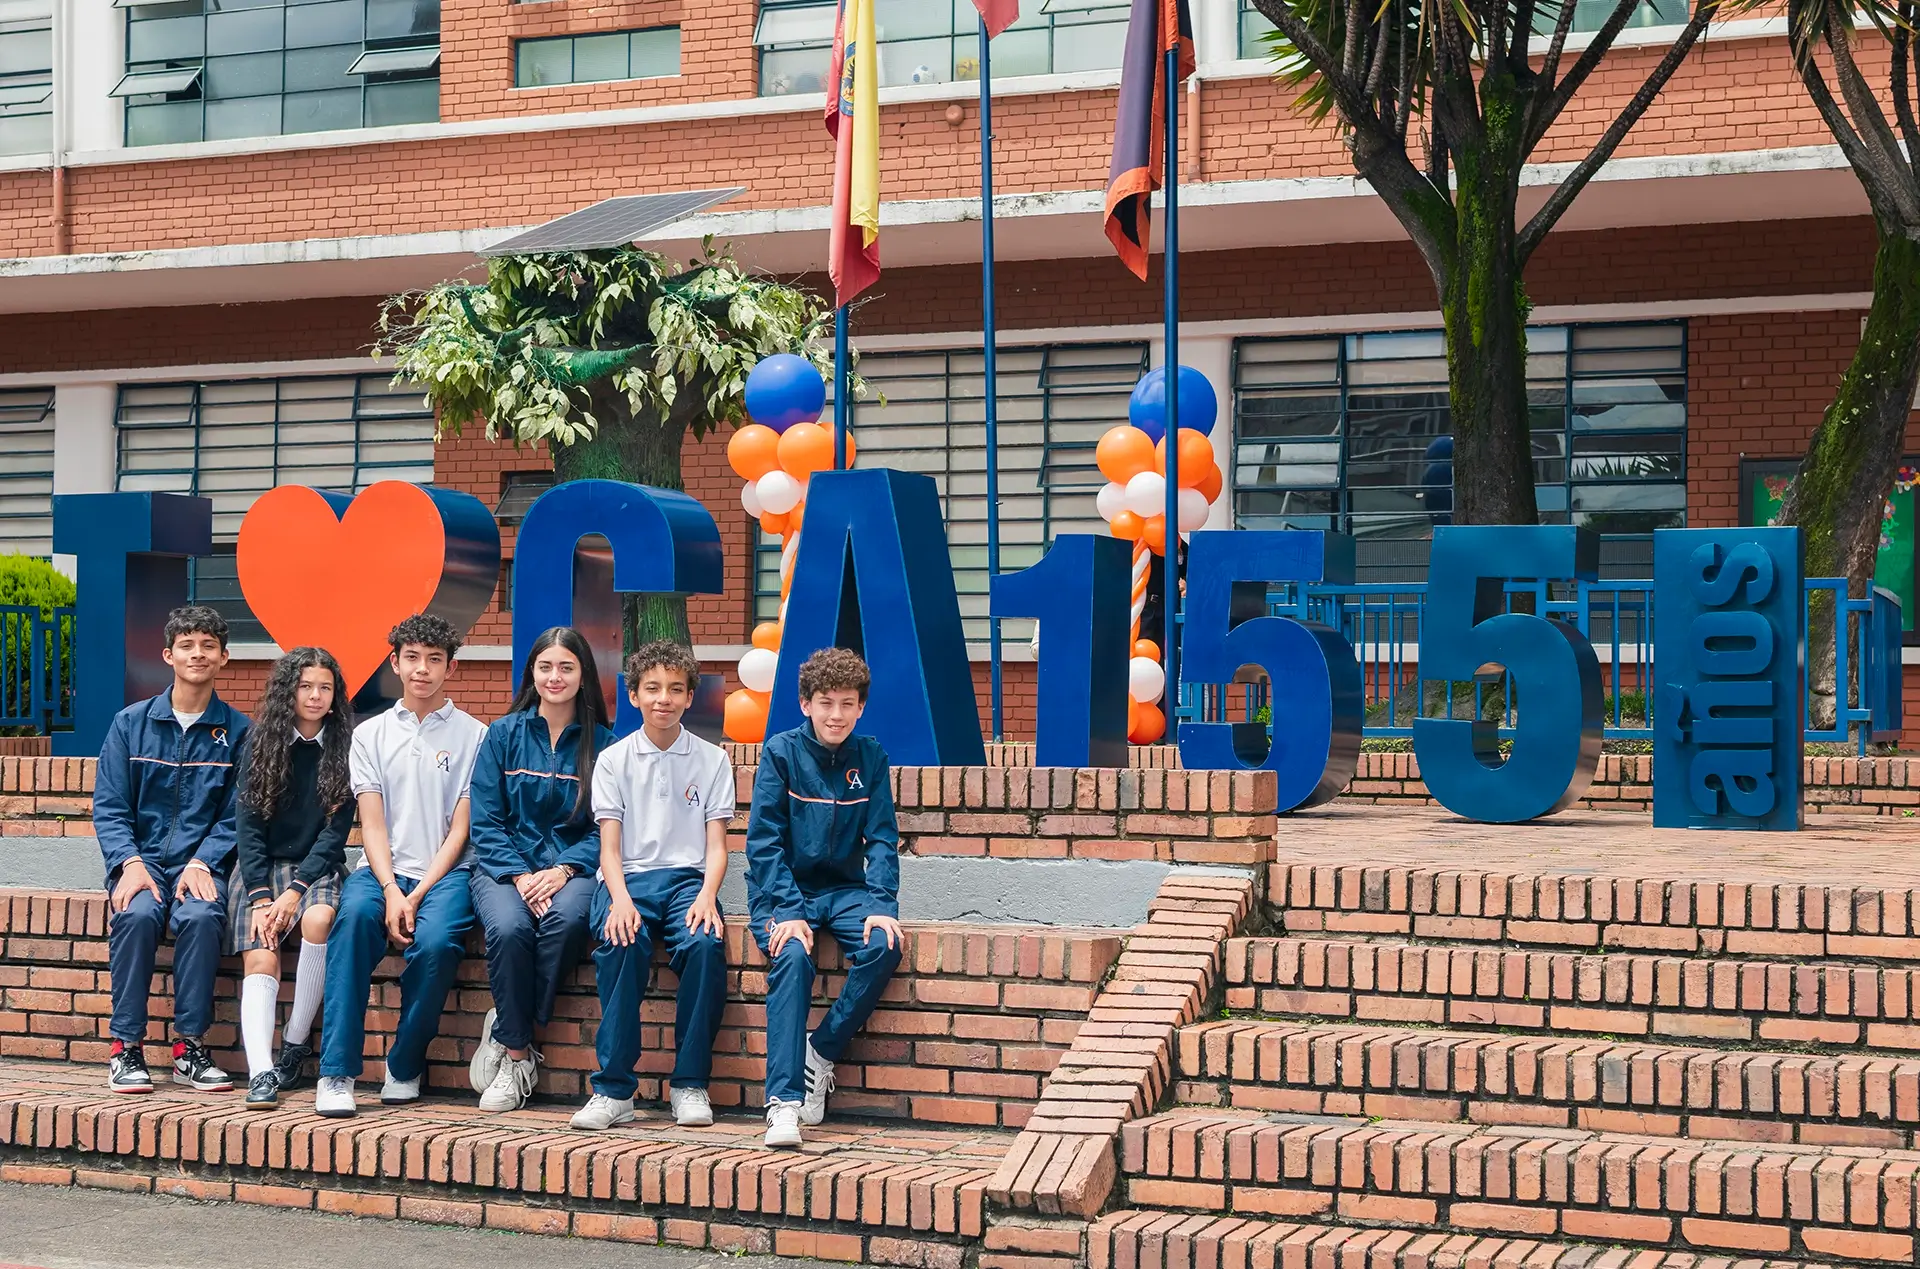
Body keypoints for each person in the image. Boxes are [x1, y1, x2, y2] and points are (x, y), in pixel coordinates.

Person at [314, 614, 487, 1118]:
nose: (423, 669)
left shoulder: (475, 735)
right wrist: (392, 889)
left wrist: (416, 893)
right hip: (383, 871)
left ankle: (405, 1064)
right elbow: (372, 825)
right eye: (412, 658)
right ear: (395, 663)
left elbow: (461, 830)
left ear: (450, 667)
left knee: (436, 945)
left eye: (435, 660)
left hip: (446, 873)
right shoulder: (369, 734)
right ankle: (336, 1073)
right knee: (350, 927)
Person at [568, 641, 733, 1132]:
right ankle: (614, 1090)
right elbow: (610, 849)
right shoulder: (614, 760)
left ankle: (689, 1084)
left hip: (688, 882)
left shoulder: (711, 760)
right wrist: (619, 900)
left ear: (689, 698)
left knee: (705, 944)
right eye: (653, 688)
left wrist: (708, 896)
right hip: (629, 880)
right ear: (634, 695)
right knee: (622, 942)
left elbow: (718, 848)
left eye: (675, 689)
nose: (664, 698)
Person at [746, 646, 902, 1148]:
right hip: (783, 891)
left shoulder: (870, 756)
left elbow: (881, 837)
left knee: (885, 944)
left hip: (845, 891)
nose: (837, 714)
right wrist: (789, 911)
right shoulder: (781, 752)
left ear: (861, 707)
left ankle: (821, 1051)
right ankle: (784, 1104)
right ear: (805, 704)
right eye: (826, 702)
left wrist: (881, 905)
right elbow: (763, 841)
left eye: (848, 704)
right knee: (791, 955)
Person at [93, 605, 251, 1094]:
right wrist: (130, 864)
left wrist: (204, 861)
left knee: (204, 918)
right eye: (187, 645)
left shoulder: (241, 732)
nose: (197, 654)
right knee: (137, 916)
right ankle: (126, 1048)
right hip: (140, 862)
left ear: (224, 657)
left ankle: (189, 1049)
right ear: (168, 654)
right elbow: (111, 805)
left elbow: (238, 814)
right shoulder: (130, 724)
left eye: (208, 645)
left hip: (201, 865)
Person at [464, 627, 613, 1112]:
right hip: (504, 869)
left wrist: (567, 868)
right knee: (508, 927)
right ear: (532, 672)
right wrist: (521, 875)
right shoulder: (503, 735)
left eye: (566, 667)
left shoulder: (604, 745)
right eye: (546, 666)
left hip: (571, 871)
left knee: (567, 921)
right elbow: (484, 820)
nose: (555, 676)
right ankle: (517, 1052)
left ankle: (509, 1026)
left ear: (583, 674)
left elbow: (608, 827)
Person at [229, 647, 355, 1108]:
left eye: (325, 687)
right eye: (306, 686)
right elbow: (248, 828)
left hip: (315, 867)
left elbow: (335, 833)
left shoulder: (345, 746)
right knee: (263, 954)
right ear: (289, 691)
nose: (316, 696)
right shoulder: (260, 743)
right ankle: (261, 1072)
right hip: (259, 870)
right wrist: (263, 897)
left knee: (318, 920)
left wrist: (297, 891)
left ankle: (296, 1045)